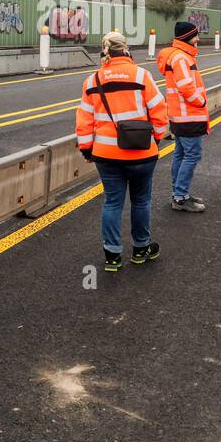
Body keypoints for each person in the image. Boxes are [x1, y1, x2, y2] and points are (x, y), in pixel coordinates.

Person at [76, 31, 169, 272]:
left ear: (104, 51)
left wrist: (87, 149)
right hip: (141, 153)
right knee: (141, 201)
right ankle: (140, 250)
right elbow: (159, 112)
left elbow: (84, 120)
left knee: (112, 202)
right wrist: (156, 139)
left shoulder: (92, 81)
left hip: (106, 155)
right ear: (126, 50)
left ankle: (112, 256)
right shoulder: (142, 75)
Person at [157, 21, 209, 213]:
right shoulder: (181, 58)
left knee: (180, 154)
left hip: (179, 115)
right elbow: (186, 86)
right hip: (189, 115)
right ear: (187, 37)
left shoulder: (179, 56)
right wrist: (201, 101)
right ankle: (180, 197)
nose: (199, 39)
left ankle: (180, 194)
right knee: (192, 155)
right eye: (196, 36)